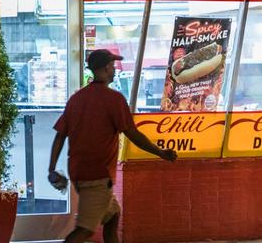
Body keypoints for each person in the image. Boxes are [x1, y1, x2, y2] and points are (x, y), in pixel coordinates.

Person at [47, 49, 177, 243]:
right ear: (106, 67)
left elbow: (59, 136)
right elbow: (132, 133)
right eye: (112, 65)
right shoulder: (114, 99)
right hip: (97, 176)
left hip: (81, 173)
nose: (114, 69)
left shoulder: (77, 99)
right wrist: (160, 152)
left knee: (113, 215)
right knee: (84, 230)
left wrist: (52, 168)